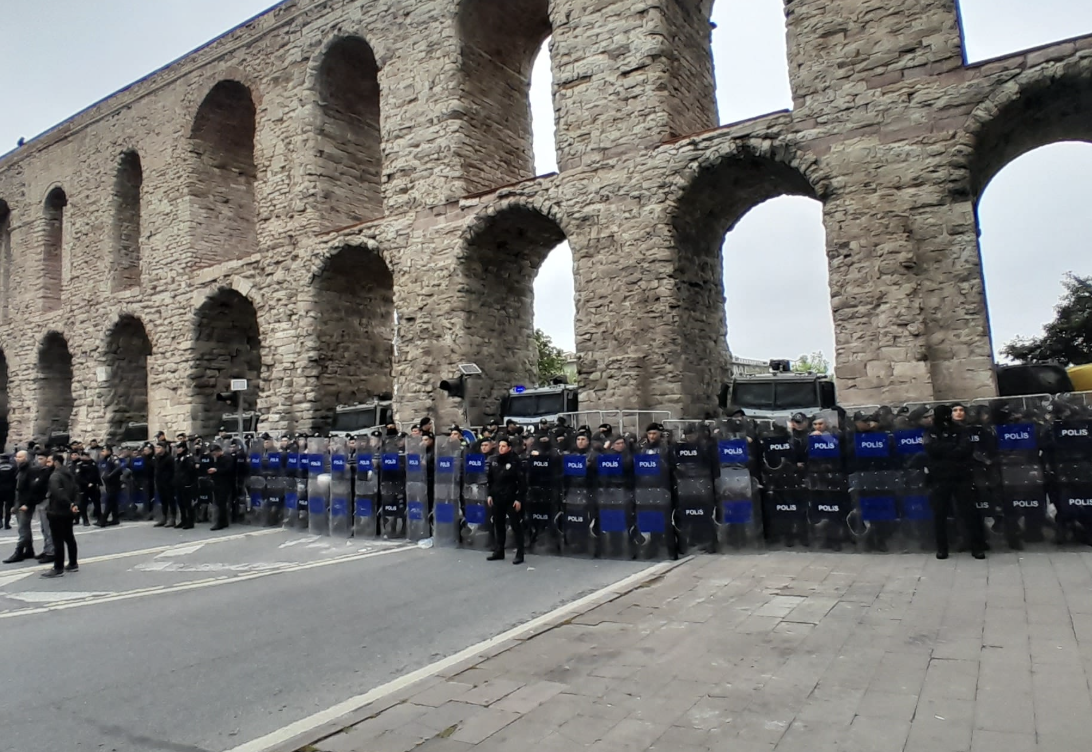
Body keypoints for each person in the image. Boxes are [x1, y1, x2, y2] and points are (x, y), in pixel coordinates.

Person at [924, 404, 985, 560]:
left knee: (969, 513)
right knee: (940, 515)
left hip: (960, 476)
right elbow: (932, 448)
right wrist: (951, 449)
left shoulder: (960, 430)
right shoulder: (931, 432)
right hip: (940, 477)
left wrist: (945, 451)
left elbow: (965, 448)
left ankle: (976, 547)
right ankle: (942, 548)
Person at [486, 437, 526, 564]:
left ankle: (520, 552)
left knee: (515, 525)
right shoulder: (495, 460)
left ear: (509, 447)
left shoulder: (515, 461)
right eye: (500, 446)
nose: (501, 448)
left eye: (504, 446)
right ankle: (499, 550)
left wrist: (519, 499)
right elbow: (491, 480)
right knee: (499, 524)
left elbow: (522, 482)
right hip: (498, 497)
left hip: (511, 497)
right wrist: (490, 495)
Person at [42, 453, 79, 577]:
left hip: (57, 510)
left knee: (57, 540)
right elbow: (75, 489)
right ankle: (73, 563)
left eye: (49, 462)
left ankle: (58, 567)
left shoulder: (55, 476)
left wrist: (69, 503)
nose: (47, 464)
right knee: (69, 537)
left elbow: (57, 492)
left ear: (56, 462)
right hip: (68, 511)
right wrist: (73, 504)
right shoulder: (68, 474)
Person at [3, 451, 36, 563]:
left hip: (24, 503)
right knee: (24, 527)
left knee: (23, 527)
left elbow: (32, 489)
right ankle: (29, 549)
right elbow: (16, 487)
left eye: (20, 457)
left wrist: (27, 503)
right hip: (18, 501)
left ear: (26, 458)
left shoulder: (30, 470)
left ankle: (19, 551)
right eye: (17, 457)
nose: (17, 459)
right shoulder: (19, 469)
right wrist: (14, 504)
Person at [174, 441, 198, 530]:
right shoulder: (177, 458)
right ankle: (183, 520)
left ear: (183, 448)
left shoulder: (188, 458)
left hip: (186, 484)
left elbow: (191, 471)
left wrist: (190, 483)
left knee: (188, 504)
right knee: (181, 504)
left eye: (179, 448)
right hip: (179, 483)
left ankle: (190, 521)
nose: (177, 450)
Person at [75, 449, 102, 526]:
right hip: (84, 487)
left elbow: (96, 474)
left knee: (97, 503)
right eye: (84, 455)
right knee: (83, 504)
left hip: (93, 486)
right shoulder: (79, 464)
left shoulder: (93, 463)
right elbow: (78, 477)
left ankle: (99, 518)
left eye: (87, 455)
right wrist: (86, 483)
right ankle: (85, 520)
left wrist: (97, 483)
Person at [209, 443, 233, 530]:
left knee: (222, 503)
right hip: (217, 483)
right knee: (219, 503)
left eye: (215, 453)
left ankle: (221, 522)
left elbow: (228, 470)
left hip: (225, 483)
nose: (214, 455)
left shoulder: (227, 458)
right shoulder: (217, 459)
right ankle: (224, 521)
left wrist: (216, 470)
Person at [99, 446, 123, 527]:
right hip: (109, 484)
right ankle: (115, 519)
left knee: (109, 501)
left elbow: (119, 467)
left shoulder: (113, 458)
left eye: (104, 451)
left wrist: (109, 475)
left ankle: (103, 520)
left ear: (109, 451)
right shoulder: (106, 460)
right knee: (113, 502)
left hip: (114, 484)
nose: (102, 453)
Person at [153, 441, 175, 527]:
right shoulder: (157, 457)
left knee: (170, 500)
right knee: (163, 501)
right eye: (156, 447)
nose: (157, 449)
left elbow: (173, 470)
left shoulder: (169, 458)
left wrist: (171, 481)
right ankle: (164, 517)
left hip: (168, 482)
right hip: (159, 482)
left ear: (163, 448)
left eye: (159, 448)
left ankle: (172, 518)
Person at [0, 451, 17, 530]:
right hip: (10, 489)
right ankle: (7, 523)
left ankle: (0, 522)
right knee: (8, 507)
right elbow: (16, 478)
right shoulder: (13, 467)